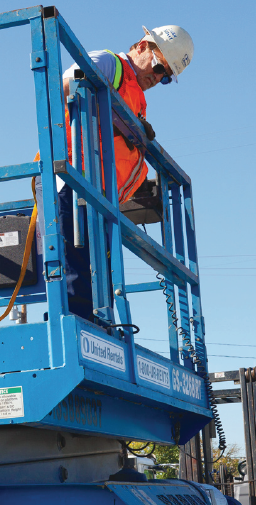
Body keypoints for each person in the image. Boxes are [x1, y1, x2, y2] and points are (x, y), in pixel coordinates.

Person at [37, 25, 194, 321]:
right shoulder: (110, 64)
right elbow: (60, 87)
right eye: (159, 67)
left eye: (165, 78)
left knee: (100, 279)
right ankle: (72, 332)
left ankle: (98, 333)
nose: (157, 77)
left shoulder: (137, 98)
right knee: (72, 272)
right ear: (142, 45)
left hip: (100, 198)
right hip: (70, 181)